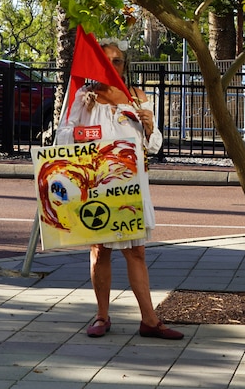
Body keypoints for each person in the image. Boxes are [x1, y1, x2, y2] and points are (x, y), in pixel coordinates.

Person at [56, 37, 183, 340]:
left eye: (118, 61)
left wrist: (151, 128)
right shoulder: (85, 96)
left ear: (125, 66)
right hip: (97, 184)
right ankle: (102, 316)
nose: (112, 66)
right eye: (106, 61)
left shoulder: (137, 97)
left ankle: (150, 321)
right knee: (100, 250)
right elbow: (62, 141)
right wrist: (76, 130)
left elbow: (152, 146)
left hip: (129, 185)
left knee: (136, 251)